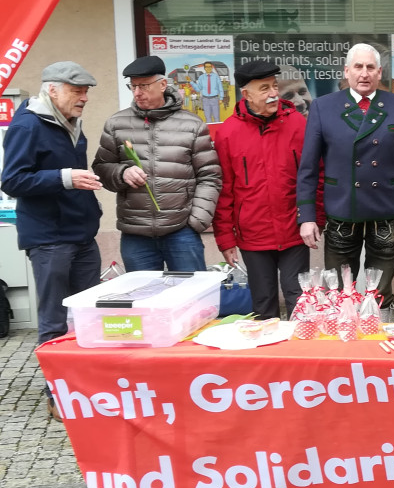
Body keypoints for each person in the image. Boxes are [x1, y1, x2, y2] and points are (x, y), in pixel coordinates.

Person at [1, 61, 103, 421]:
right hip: (50, 239)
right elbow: (12, 180)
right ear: (52, 90)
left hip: (81, 234)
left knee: (87, 318)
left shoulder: (70, 121)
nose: (84, 98)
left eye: (86, 91)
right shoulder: (27, 124)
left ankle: (87, 389)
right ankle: (57, 394)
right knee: (55, 319)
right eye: (77, 91)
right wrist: (65, 178)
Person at [297, 42, 394, 319]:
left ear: (379, 72)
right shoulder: (323, 107)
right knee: (339, 290)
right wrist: (306, 216)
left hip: (386, 212)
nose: (364, 73)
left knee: (380, 291)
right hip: (342, 211)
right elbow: (308, 168)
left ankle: (379, 339)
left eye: (370, 67)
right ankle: (341, 347)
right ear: (347, 71)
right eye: (358, 67)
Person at [213, 61, 323, 319]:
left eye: (274, 86)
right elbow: (224, 189)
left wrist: (316, 217)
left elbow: (315, 174)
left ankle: (300, 356)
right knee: (263, 303)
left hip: (294, 229)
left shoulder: (297, 123)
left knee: (299, 298)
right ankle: (268, 356)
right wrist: (225, 239)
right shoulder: (228, 132)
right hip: (253, 234)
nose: (273, 93)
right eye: (264, 88)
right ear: (246, 95)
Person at [93, 55, 221, 272]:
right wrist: (121, 173)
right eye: (132, 86)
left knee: (190, 301)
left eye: (143, 86)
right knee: (144, 302)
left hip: (182, 231)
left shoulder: (192, 124)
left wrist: (196, 221)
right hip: (136, 235)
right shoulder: (117, 124)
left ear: (163, 85)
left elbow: (210, 176)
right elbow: (101, 168)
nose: (137, 93)